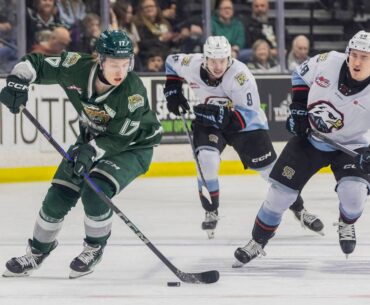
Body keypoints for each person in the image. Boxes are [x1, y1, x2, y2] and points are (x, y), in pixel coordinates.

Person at [0, 30, 163, 278]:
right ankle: (37, 253)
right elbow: (37, 63)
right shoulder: (76, 66)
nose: (120, 71)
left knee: (96, 190)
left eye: (125, 63)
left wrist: (90, 151)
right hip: (90, 140)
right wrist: (18, 80)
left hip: (133, 147)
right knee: (58, 196)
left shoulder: (133, 92)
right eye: (113, 64)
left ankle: (94, 248)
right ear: (100, 60)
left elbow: (119, 138)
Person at [163, 35, 324, 239]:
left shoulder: (241, 76)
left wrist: (220, 116)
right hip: (212, 121)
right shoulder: (191, 64)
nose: (219, 65)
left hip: (246, 125)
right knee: (206, 159)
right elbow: (170, 62)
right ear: (204, 59)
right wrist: (172, 89)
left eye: (223, 60)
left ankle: (300, 210)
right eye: (213, 60)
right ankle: (211, 208)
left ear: (229, 57)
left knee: (271, 173)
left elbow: (245, 116)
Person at [233, 30, 370, 267]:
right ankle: (257, 241)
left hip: (351, 145)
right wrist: (298, 106)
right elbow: (300, 74)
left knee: (354, 198)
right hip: (311, 139)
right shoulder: (329, 62)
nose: (357, 61)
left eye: (365, 57)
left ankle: (346, 222)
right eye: (354, 55)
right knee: (279, 196)